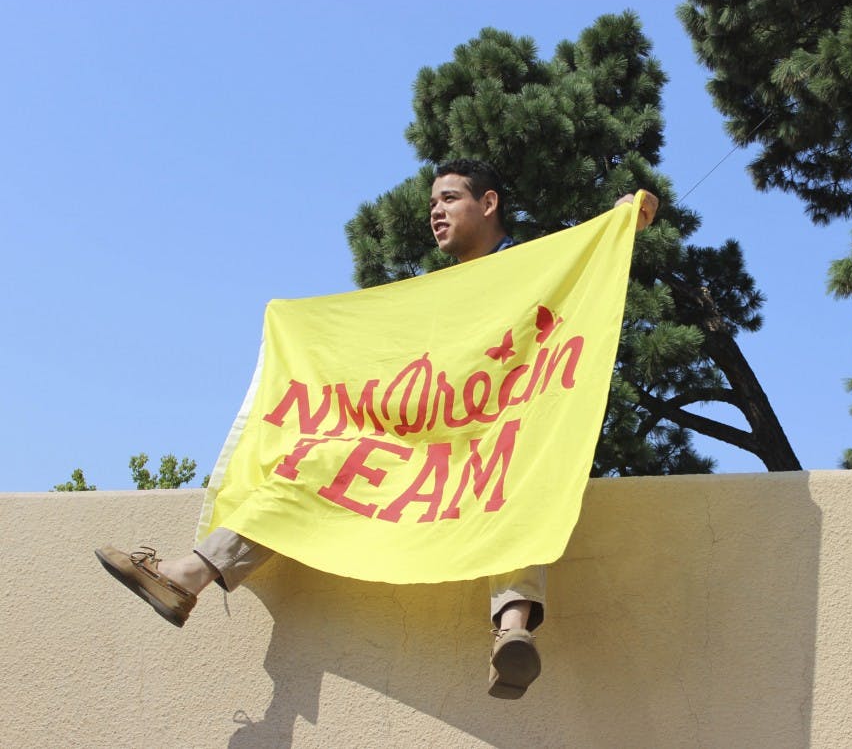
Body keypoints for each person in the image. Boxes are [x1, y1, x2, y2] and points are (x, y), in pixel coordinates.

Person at [96, 159, 658, 700]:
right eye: (432, 202)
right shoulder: (432, 299)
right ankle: (187, 575)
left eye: (450, 199)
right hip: (419, 452)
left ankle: (513, 630)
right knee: (314, 463)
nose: (435, 212)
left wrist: (622, 221)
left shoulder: (537, 268)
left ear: (489, 204)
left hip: (494, 445)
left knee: (512, 485)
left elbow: (588, 277)